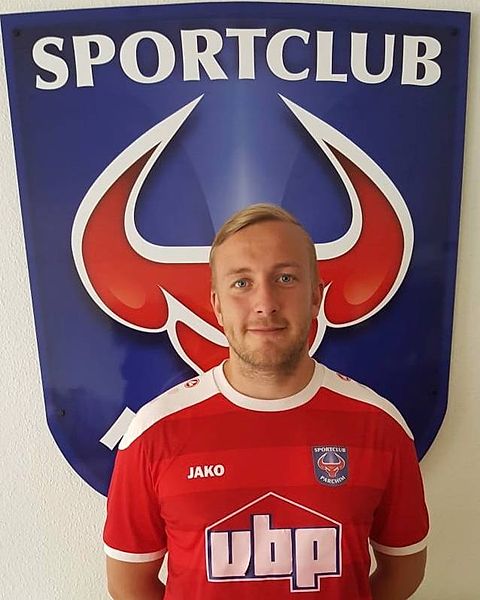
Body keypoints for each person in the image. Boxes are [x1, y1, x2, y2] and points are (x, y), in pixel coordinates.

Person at [104, 203, 428, 600]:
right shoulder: (153, 431)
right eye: (242, 283)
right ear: (217, 305)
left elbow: (403, 571)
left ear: (315, 297)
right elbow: (128, 584)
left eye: (285, 278)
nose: (265, 303)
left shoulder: (381, 426)